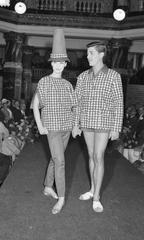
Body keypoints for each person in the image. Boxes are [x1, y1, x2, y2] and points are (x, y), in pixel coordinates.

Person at [72, 41, 124, 213]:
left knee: (98, 156)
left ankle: (96, 197)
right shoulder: (82, 77)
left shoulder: (113, 76)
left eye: (91, 53)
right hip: (86, 122)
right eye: (87, 53)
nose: (88, 56)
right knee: (90, 155)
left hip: (104, 122)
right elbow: (77, 102)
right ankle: (92, 189)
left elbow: (118, 103)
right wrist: (76, 124)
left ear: (101, 55)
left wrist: (116, 127)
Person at [33, 29, 77, 214]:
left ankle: (47, 186)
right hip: (51, 128)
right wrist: (40, 126)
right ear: (51, 63)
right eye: (56, 62)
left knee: (55, 158)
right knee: (60, 161)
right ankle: (61, 198)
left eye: (62, 63)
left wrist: (75, 125)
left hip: (66, 128)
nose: (58, 66)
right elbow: (36, 106)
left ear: (65, 65)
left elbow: (75, 106)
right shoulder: (43, 81)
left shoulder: (68, 85)